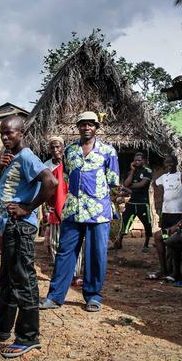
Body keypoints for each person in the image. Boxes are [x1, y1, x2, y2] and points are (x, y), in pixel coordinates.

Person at [0, 115, 57, 359]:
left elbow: (50, 182)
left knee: (24, 281)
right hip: (8, 226)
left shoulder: (27, 157)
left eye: (9, 132)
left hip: (21, 227)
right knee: (7, 281)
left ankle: (28, 337)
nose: (5, 136)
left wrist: (28, 208)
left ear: (21, 133)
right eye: (2, 132)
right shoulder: (9, 159)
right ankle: (1, 329)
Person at [40, 111, 120, 313]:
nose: (86, 128)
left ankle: (93, 296)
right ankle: (55, 297)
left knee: (96, 255)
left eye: (90, 124)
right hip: (73, 210)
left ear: (96, 127)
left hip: (98, 212)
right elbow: (66, 178)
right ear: (78, 127)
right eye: (82, 124)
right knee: (65, 253)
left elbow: (113, 181)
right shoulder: (70, 151)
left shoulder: (108, 152)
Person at [120, 152, 153, 252]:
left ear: (144, 161)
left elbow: (142, 184)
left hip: (143, 203)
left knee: (147, 224)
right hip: (132, 202)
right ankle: (118, 243)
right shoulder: (132, 171)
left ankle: (146, 244)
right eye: (135, 160)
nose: (137, 162)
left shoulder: (147, 171)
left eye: (139, 160)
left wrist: (128, 188)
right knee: (124, 221)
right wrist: (133, 171)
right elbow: (126, 183)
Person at [41, 137, 68, 259]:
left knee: (70, 241)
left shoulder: (70, 163)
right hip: (54, 207)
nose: (55, 150)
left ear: (63, 147)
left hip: (70, 206)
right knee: (55, 241)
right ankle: (58, 269)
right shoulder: (46, 166)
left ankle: (74, 272)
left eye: (58, 147)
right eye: (52, 147)